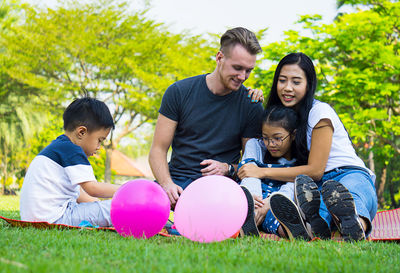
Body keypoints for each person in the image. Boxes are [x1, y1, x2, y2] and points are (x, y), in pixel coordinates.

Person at [238, 52, 378, 241]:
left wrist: (260, 172)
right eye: (282, 81)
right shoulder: (282, 118)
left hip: (346, 173)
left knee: (349, 199)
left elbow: (315, 170)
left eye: (296, 82)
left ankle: (356, 226)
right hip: (311, 187)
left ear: (308, 84)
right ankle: (318, 230)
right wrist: (253, 95)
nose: (287, 88)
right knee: (317, 219)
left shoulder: (319, 112)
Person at [149, 27, 264, 209]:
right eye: (237, 68)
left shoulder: (251, 104)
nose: (243, 77)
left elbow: (250, 163)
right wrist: (167, 184)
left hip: (219, 190)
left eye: (248, 70)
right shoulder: (178, 92)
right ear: (219, 58)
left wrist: (227, 168)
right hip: (177, 184)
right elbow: (157, 150)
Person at [20, 97, 119, 227]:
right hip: (56, 217)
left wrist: (97, 206)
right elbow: (93, 188)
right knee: (115, 208)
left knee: (101, 208)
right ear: (81, 132)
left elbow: (80, 194)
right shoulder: (73, 150)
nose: (99, 147)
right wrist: (127, 189)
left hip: (37, 217)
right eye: (99, 140)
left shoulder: (59, 147)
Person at [239, 105, 314, 240]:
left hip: (277, 205)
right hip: (254, 198)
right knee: (246, 189)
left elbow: (293, 186)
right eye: (265, 137)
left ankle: (294, 229)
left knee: (280, 216)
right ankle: (247, 216)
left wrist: (270, 203)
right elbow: (248, 172)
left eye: (277, 138)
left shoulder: (302, 158)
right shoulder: (256, 146)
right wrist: (254, 201)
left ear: (293, 135)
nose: (271, 144)